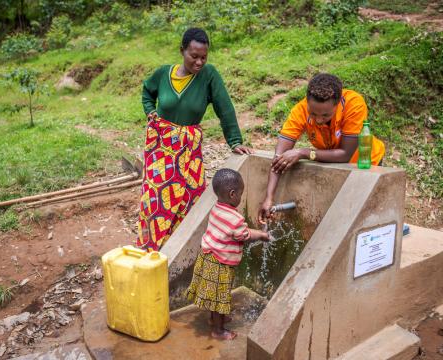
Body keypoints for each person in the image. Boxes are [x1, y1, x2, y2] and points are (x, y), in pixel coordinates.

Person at [137, 28, 252, 251]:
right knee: (155, 201)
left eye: (203, 57)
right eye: (194, 56)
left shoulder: (208, 76)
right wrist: (150, 110)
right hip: (160, 147)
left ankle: (177, 249)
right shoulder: (163, 74)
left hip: (188, 152)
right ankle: (151, 251)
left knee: (189, 199)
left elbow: (224, 108)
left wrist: (235, 141)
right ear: (182, 51)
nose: (199, 62)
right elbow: (146, 91)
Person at [258, 73, 385, 222]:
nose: (318, 120)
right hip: (333, 164)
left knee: (366, 215)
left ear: (337, 104)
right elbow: (279, 157)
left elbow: (345, 155)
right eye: (313, 113)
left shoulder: (353, 104)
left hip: (365, 163)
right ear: (307, 102)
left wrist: (303, 152)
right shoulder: (300, 111)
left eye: (325, 115)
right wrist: (268, 198)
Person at [186, 168, 269, 340]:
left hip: (208, 257)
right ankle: (218, 330)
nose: (240, 197)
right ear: (232, 194)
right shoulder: (235, 219)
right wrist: (262, 234)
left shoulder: (217, 208)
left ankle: (214, 319)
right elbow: (244, 235)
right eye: (240, 194)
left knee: (215, 295)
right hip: (219, 264)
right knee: (219, 297)